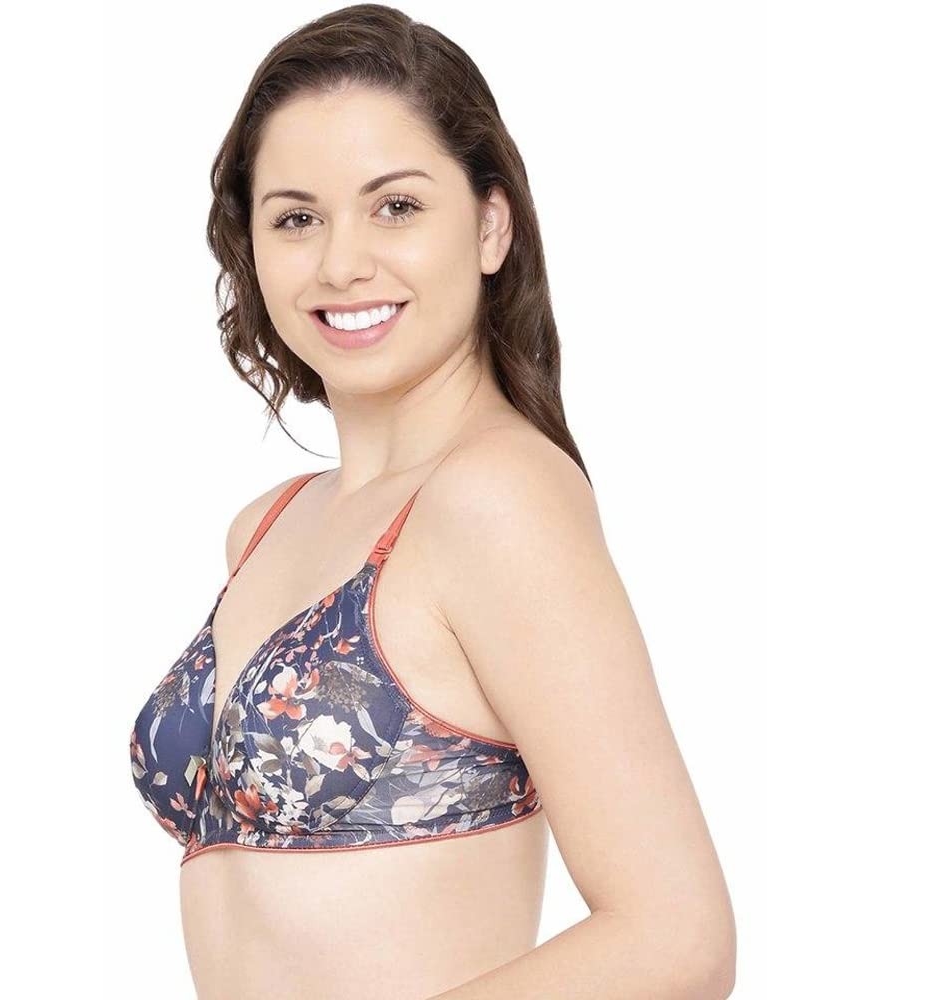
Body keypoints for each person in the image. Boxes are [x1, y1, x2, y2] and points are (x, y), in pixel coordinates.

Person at [128, 6, 736, 998]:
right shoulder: (267, 525)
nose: (341, 263)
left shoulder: (496, 498)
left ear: (491, 225)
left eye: (396, 206)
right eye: (296, 218)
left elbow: (676, 937)